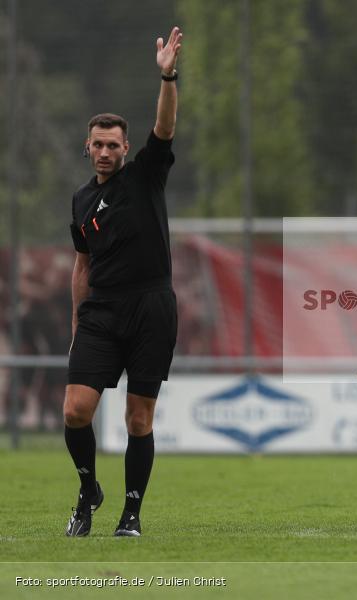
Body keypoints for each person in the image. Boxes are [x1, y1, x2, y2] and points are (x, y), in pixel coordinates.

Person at [63, 27, 182, 538]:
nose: (106, 151)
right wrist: (76, 321)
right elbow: (82, 265)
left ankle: (130, 515)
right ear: (87, 148)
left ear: (126, 147)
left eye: (115, 144)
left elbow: (165, 123)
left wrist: (168, 74)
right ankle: (89, 489)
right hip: (101, 313)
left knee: (139, 419)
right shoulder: (80, 201)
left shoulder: (145, 174)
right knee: (75, 411)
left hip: (151, 308)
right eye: (99, 145)